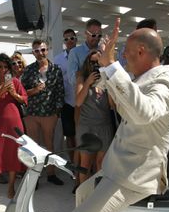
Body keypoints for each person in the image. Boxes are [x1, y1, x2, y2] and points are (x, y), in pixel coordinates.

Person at [29, 19, 169, 212]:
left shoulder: (162, 84)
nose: (121, 56)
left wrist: (111, 67)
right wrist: (109, 71)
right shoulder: (145, 78)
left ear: (140, 51)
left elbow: (143, 112)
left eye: (124, 52)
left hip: (133, 175)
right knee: (82, 193)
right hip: (119, 166)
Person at [21, 39, 65, 186]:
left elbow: (60, 91)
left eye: (43, 50)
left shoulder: (55, 69)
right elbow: (22, 92)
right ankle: (34, 177)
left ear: (47, 50)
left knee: (49, 144)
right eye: (37, 50)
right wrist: (34, 90)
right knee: (33, 147)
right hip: (32, 113)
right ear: (33, 52)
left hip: (49, 113)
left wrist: (57, 112)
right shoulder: (28, 70)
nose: (40, 53)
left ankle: (51, 174)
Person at [0, 54, 27, 199]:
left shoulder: (15, 81)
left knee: (13, 153)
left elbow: (24, 100)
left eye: (5, 67)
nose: (3, 70)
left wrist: (13, 93)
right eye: (0, 67)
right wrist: (1, 91)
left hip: (15, 122)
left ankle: (11, 187)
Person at [74, 49, 115, 184]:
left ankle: (97, 195)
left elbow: (112, 106)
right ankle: (82, 195)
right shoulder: (82, 77)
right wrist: (87, 83)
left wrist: (108, 85)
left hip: (104, 126)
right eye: (92, 63)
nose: (95, 66)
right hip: (87, 126)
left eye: (98, 63)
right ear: (87, 64)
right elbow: (78, 102)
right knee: (85, 164)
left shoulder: (107, 78)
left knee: (101, 163)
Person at [54, 29, 78, 154]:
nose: (69, 41)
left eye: (72, 38)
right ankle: (73, 166)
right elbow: (55, 82)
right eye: (66, 39)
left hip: (82, 101)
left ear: (76, 39)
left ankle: (83, 165)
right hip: (67, 103)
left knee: (81, 135)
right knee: (69, 136)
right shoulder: (57, 59)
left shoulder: (84, 55)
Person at [67, 19, 103, 87]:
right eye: (94, 35)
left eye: (99, 36)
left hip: (103, 94)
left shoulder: (103, 52)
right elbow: (71, 80)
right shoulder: (75, 52)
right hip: (85, 95)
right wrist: (87, 66)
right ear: (86, 33)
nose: (96, 38)